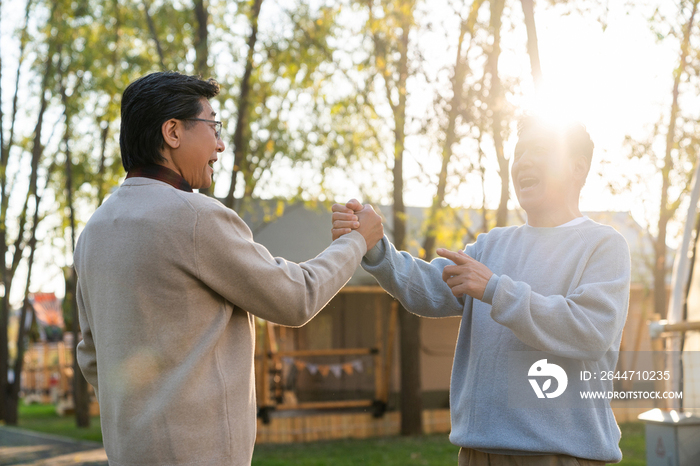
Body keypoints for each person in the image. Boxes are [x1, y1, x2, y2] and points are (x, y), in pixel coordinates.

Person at [74, 71, 383, 466]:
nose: (219, 145)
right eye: (212, 126)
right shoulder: (195, 217)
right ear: (172, 132)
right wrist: (357, 242)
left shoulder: (95, 229)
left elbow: (90, 354)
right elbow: (295, 297)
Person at [332, 117, 631, 466]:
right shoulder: (491, 245)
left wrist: (495, 289)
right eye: (519, 153)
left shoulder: (604, 245)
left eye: (540, 151)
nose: (524, 162)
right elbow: (427, 288)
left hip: (560, 455)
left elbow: (591, 332)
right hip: (477, 454)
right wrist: (374, 246)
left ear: (578, 168)